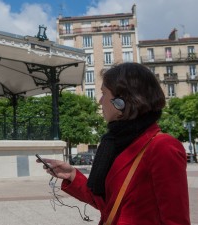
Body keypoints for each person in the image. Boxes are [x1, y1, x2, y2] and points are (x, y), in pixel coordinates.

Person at [38, 62, 190, 224]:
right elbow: (109, 205)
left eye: (104, 93)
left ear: (121, 102)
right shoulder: (115, 143)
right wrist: (72, 175)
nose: (100, 101)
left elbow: (176, 220)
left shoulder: (162, 146)